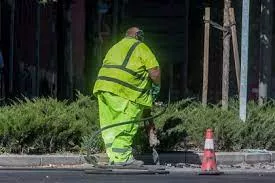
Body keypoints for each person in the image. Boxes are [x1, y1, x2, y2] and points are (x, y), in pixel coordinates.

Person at [93, 27, 161, 166]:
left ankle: (114, 156)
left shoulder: (114, 47)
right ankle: (123, 158)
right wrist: (157, 85)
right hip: (127, 92)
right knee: (126, 124)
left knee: (110, 125)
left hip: (104, 88)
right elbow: (154, 72)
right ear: (138, 36)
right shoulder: (142, 47)